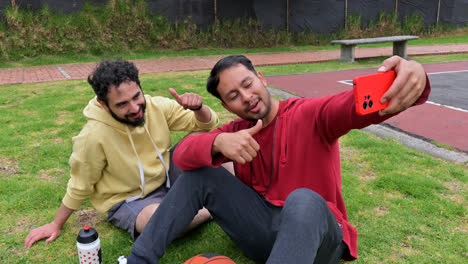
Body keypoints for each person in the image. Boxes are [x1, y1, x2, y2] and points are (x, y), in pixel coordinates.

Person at [121, 55, 430, 264]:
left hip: (318, 240)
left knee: (303, 200)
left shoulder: (309, 114)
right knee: (199, 175)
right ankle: (138, 260)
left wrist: (413, 73)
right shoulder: (237, 130)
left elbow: (353, 105)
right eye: (233, 96)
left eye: (247, 84)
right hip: (263, 236)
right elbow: (184, 154)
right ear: (227, 106)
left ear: (261, 78)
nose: (245, 96)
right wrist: (218, 140)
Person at [24, 59, 222, 248]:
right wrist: (55, 224)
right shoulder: (92, 137)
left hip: (166, 177)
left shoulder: (155, 106)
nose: (135, 108)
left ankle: (212, 196)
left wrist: (198, 108)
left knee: (208, 142)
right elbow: (80, 184)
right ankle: (210, 208)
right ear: (104, 104)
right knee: (162, 224)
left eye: (136, 96)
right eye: (122, 104)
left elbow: (206, 124)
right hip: (129, 199)